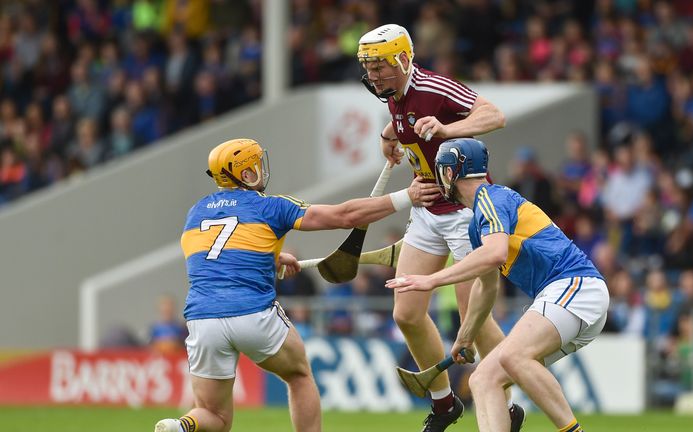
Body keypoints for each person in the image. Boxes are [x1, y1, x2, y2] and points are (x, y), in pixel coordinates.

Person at [155, 138, 423, 432]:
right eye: (255, 165)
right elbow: (345, 216)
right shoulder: (271, 206)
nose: (261, 169)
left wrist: (271, 258)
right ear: (246, 173)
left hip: (203, 319)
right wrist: (407, 196)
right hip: (252, 313)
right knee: (298, 375)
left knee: (213, 416)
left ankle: (181, 425)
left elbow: (215, 256)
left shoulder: (196, 212)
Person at [357, 24, 519, 432]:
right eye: (369, 67)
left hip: (465, 211)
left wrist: (449, 130)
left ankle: (508, 406)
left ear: (403, 59)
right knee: (406, 313)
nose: (373, 74)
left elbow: (494, 115)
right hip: (428, 211)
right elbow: (407, 121)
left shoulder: (434, 86)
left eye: (379, 66)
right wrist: (388, 134)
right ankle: (445, 404)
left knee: (473, 320)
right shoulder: (393, 95)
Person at [388, 138, 609, 432]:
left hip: (575, 286)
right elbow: (487, 286)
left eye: (441, 171)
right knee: (484, 379)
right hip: (565, 298)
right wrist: (466, 335)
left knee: (512, 356)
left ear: (451, 173)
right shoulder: (478, 223)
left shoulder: (490, 199)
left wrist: (431, 279)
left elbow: (495, 254)